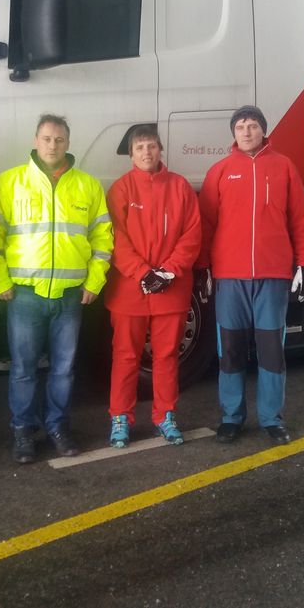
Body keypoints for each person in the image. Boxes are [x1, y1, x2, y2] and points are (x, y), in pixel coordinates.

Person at [0, 114, 114, 463]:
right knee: (23, 369)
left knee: (64, 369)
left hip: (71, 296)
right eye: (46, 138)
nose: (52, 145)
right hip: (24, 295)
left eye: (59, 139)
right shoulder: (9, 183)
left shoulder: (88, 186)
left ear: (68, 143)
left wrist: (95, 281)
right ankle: (23, 431)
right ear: (35, 141)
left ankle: (58, 427)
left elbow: (103, 239)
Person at [197, 105, 304, 446]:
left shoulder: (284, 167)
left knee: (271, 352)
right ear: (233, 133)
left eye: (252, 126)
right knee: (231, 351)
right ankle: (231, 417)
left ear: (263, 130)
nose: (246, 132)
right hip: (230, 277)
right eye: (240, 127)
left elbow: (300, 219)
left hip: (272, 276)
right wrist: (203, 267)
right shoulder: (220, 171)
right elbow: (206, 224)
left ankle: (271, 418)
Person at [105, 125, 201, 448]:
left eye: (151, 146)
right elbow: (115, 238)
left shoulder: (180, 187)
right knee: (125, 356)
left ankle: (165, 415)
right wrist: (143, 273)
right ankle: (120, 416)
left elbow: (192, 235)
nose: (146, 152)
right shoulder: (121, 189)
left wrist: (168, 272)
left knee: (167, 356)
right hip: (130, 290)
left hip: (171, 290)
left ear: (160, 149)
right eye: (140, 147)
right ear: (131, 155)